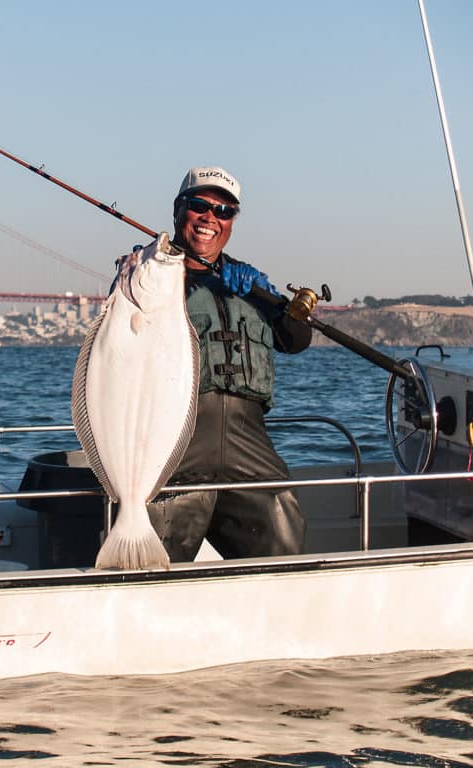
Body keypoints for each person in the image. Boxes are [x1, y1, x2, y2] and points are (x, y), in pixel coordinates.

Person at [147, 166, 312, 561]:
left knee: (284, 536)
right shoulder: (149, 277)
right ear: (178, 210)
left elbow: (296, 341)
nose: (210, 217)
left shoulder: (248, 283)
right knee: (152, 555)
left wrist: (271, 299)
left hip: (249, 440)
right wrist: (179, 278)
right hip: (177, 442)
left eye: (224, 211)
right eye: (200, 205)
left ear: (232, 223)